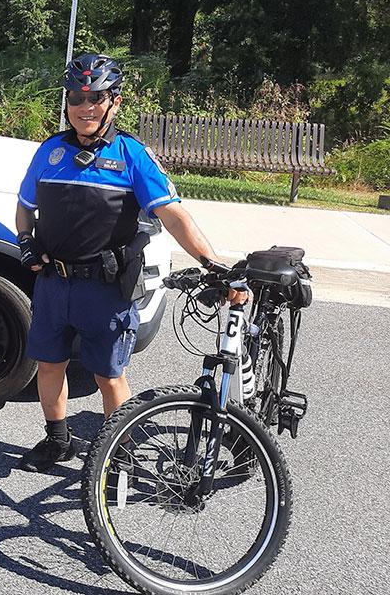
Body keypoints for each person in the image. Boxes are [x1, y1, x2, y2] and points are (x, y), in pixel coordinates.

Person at [14, 53, 240, 470]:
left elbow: (173, 214)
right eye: (76, 98)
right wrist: (25, 242)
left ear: (114, 102)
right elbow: (24, 207)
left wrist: (212, 263)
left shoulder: (132, 154)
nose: (85, 107)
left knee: (108, 376)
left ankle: (120, 451)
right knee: (49, 365)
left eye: (95, 97)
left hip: (104, 290)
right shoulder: (50, 152)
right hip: (53, 283)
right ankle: (58, 439)